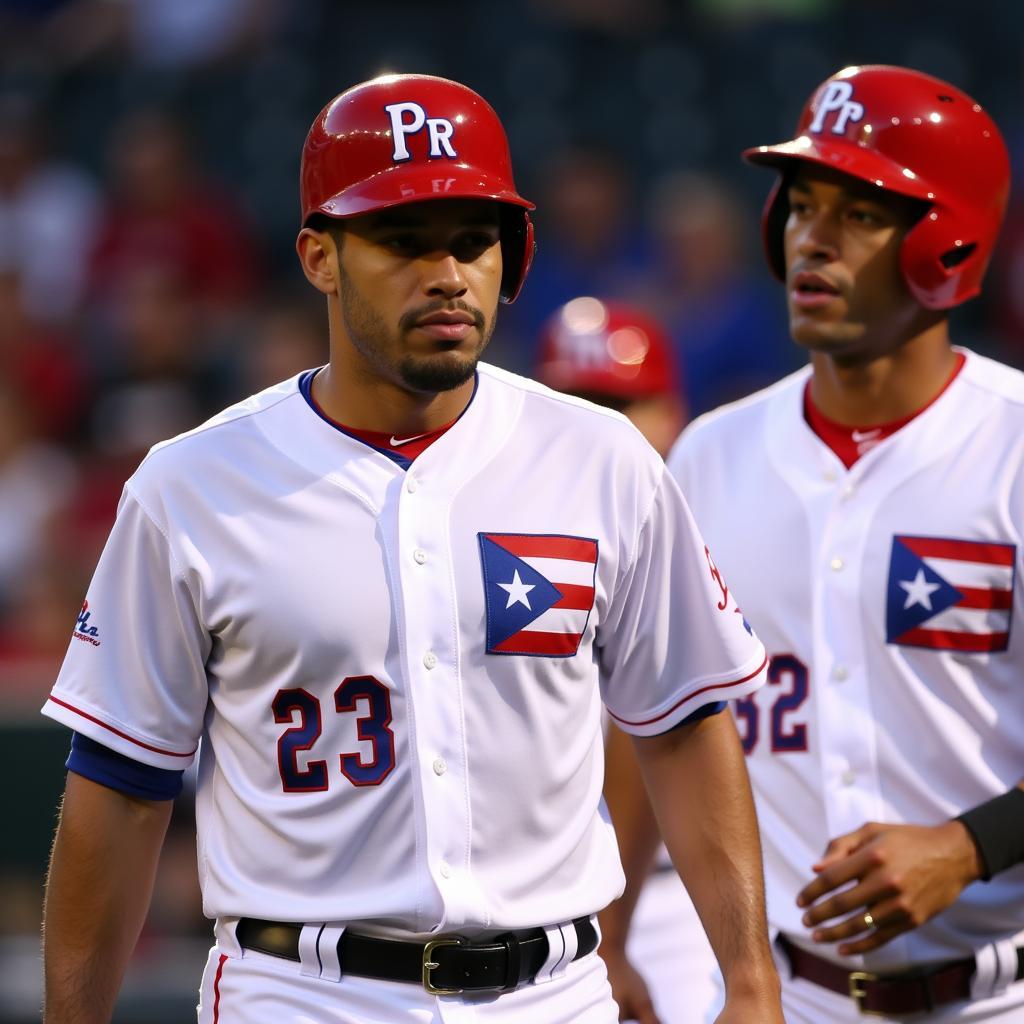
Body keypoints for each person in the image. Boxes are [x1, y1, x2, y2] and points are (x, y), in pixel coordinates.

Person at [40, 74, 783, 1024]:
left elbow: (682, 727)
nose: (447, 273)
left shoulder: (603, 460)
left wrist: (750, 984)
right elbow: (121, 787)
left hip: (556, 992)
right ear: (319, 257)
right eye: (402, 241)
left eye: (474, 241)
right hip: (302, 990)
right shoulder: (192, 485)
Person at [665, 64, 1024, 1021]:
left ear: (947, 242)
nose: (811, 238)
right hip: (782, 996)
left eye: (860, 213)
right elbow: (657, 722)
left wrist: (971, 844)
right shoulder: (713, 453)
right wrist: (617, 942)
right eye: (801, 204)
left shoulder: (1016, 444)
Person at [535, 297, 721, 1024]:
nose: (597, 426)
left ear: (671, 412)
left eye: (620, 402)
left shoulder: (724, 526)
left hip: (691, 892)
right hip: (538, 906)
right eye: (574, 400)